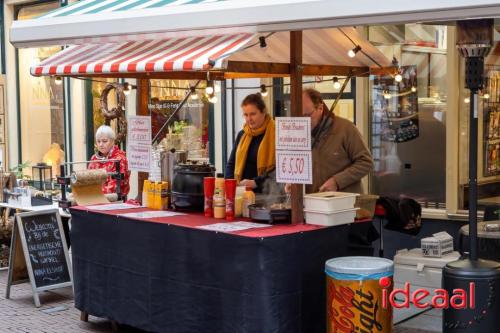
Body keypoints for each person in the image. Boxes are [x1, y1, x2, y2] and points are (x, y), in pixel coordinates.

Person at [302, 88, 374, 194]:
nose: (303, 121)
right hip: (312, 205)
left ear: (320, 108)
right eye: (299, 116)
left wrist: (337, 181)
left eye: (307, 115)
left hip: (344, 204)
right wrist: (294, 183)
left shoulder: (346, 128)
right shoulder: (298, 135)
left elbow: (366, 162)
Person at [225, 93, 276, 193]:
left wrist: (255, 182)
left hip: (267, 194)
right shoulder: (242, 134)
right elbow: (231, 164)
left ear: (263, 112)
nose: (249, 119)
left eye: (253, 114)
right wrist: (231, 185)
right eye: (246, 114)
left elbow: (279, 170)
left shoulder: (276, 133)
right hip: (242, 193)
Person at [88, 125, 130, 197]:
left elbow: (115, 186)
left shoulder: (119, 159)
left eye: (104, 141)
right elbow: (88, 179)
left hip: (115, 201)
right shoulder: (94, 158)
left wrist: (91, 193)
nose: (101, 144)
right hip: (93, 197)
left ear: (112, 141)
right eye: (98, 141)